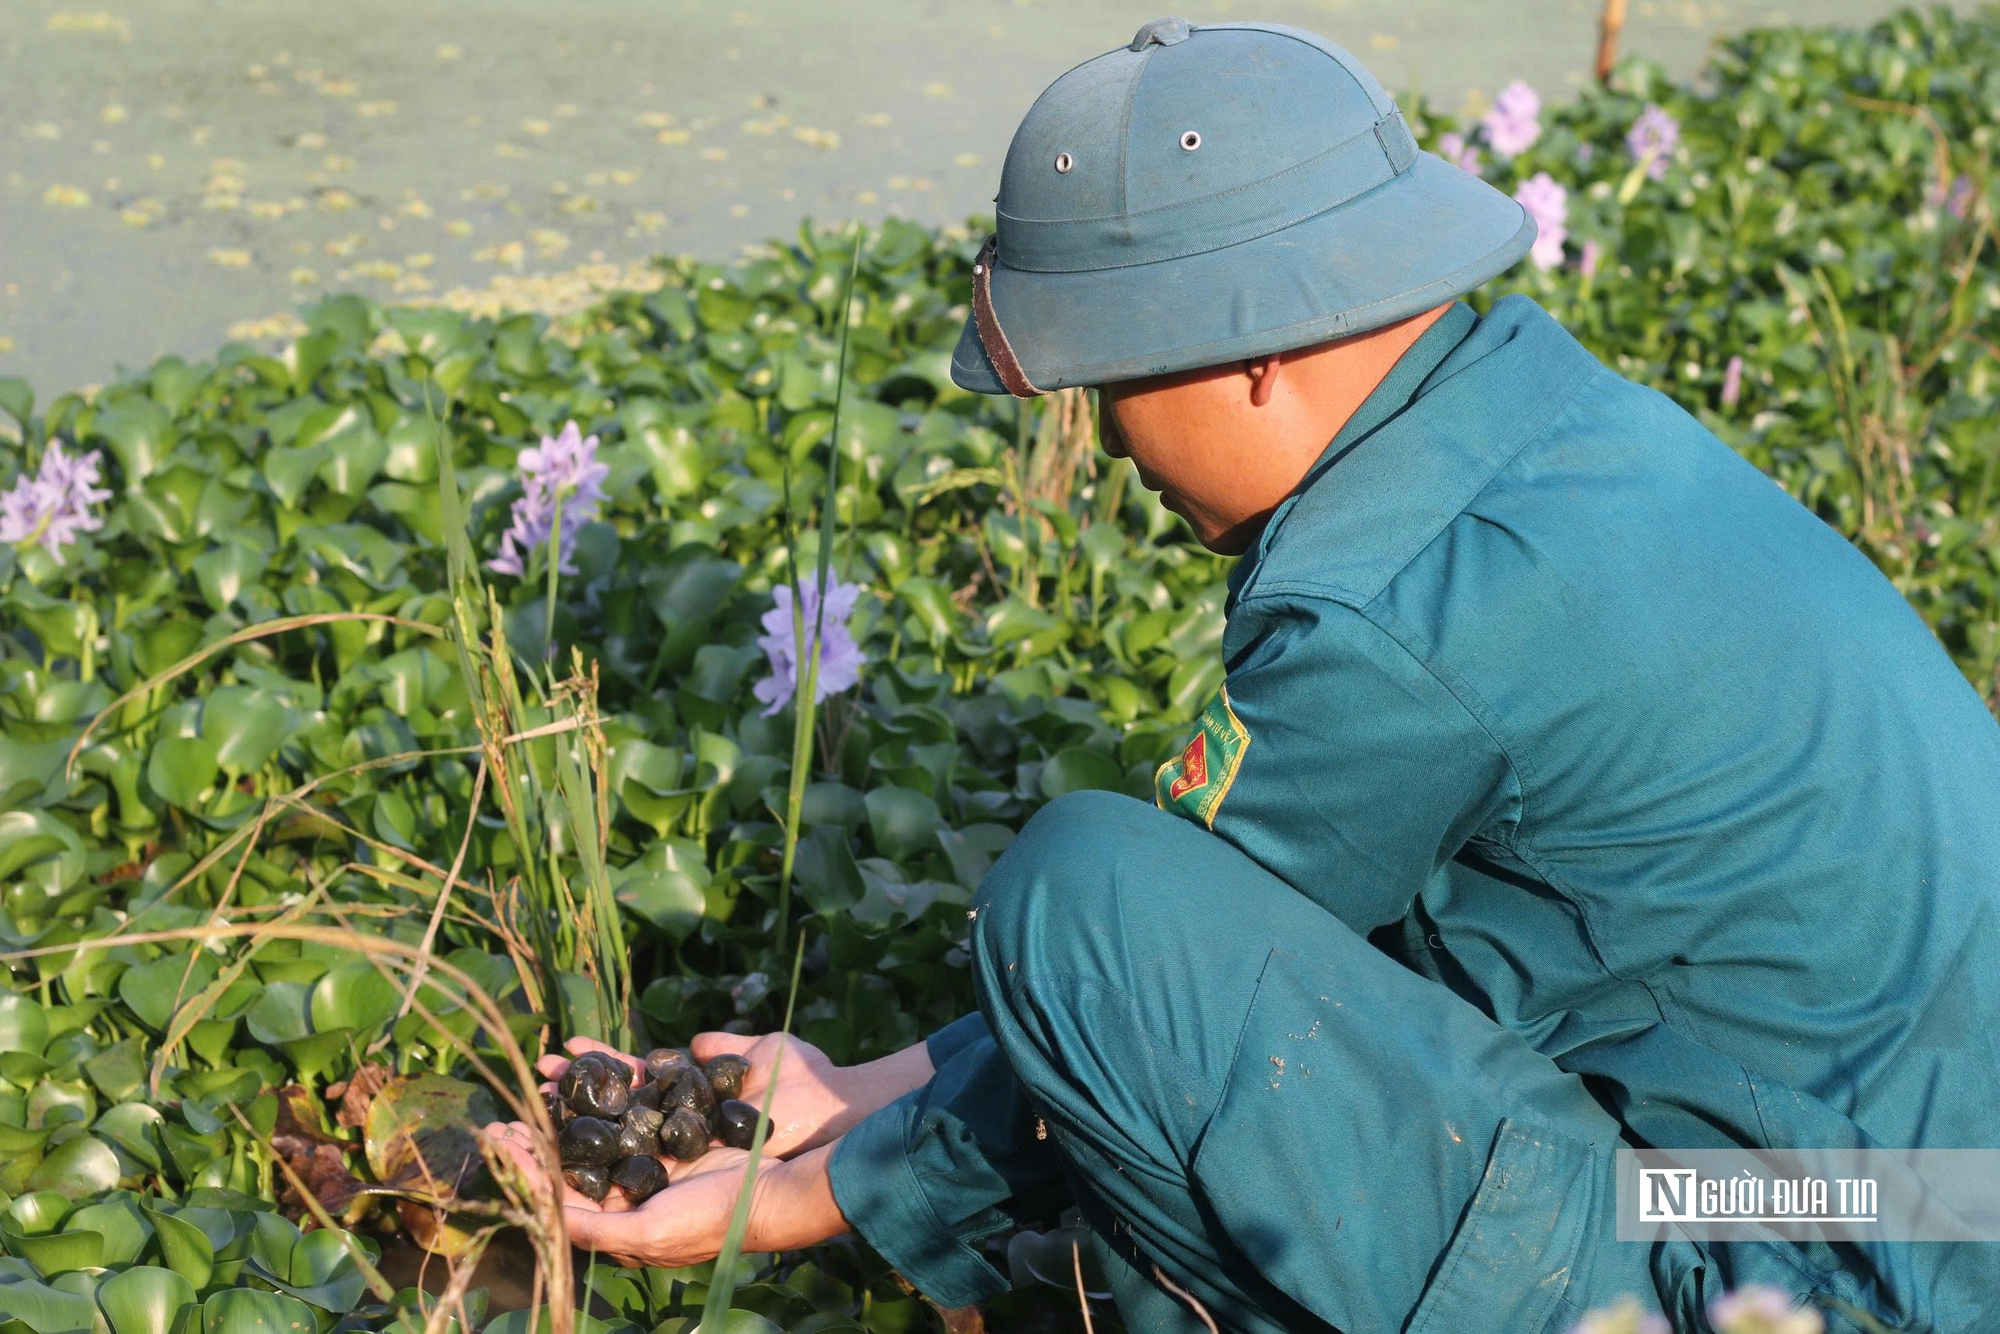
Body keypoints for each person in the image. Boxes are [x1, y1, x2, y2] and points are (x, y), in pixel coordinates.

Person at [488, 18, 2000, 1333]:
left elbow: (1124, 956)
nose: (1105, 449)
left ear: (1256, 349)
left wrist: (810, 1202)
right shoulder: (1535, 422)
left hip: (1819, 1261)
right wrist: (859, 1090)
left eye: (1115, 380)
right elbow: (1288, 911)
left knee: (1077, 882)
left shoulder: (1389, 606)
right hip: (1936, 1200)